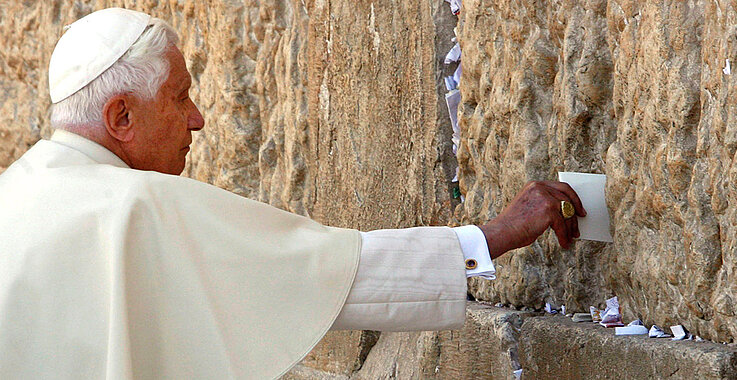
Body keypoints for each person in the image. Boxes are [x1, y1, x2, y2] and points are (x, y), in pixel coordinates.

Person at [0, 8, 586, 379]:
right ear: (120, 115)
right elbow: (327, 273)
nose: (199, 119)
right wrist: (490, 238)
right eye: (180, 98)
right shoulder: (136, 208)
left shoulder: (12, 197)